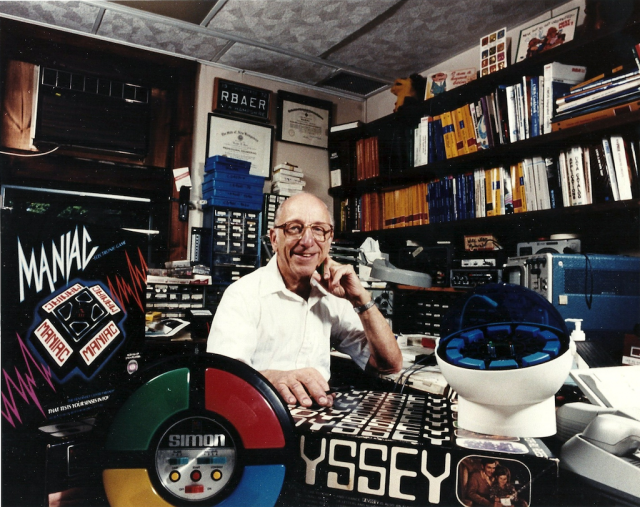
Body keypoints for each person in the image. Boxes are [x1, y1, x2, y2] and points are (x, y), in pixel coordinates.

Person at [206, 192, 403, 408]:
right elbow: (221, 380)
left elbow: (389, 365)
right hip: (258, 416)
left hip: (317, 420)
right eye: (294, 228)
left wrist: (360, 298)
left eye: (318, 230)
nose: (307, 241)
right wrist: (275, 379)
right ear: (274, 239)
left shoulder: (333, 295)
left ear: (329, 240)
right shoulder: (243, 294)